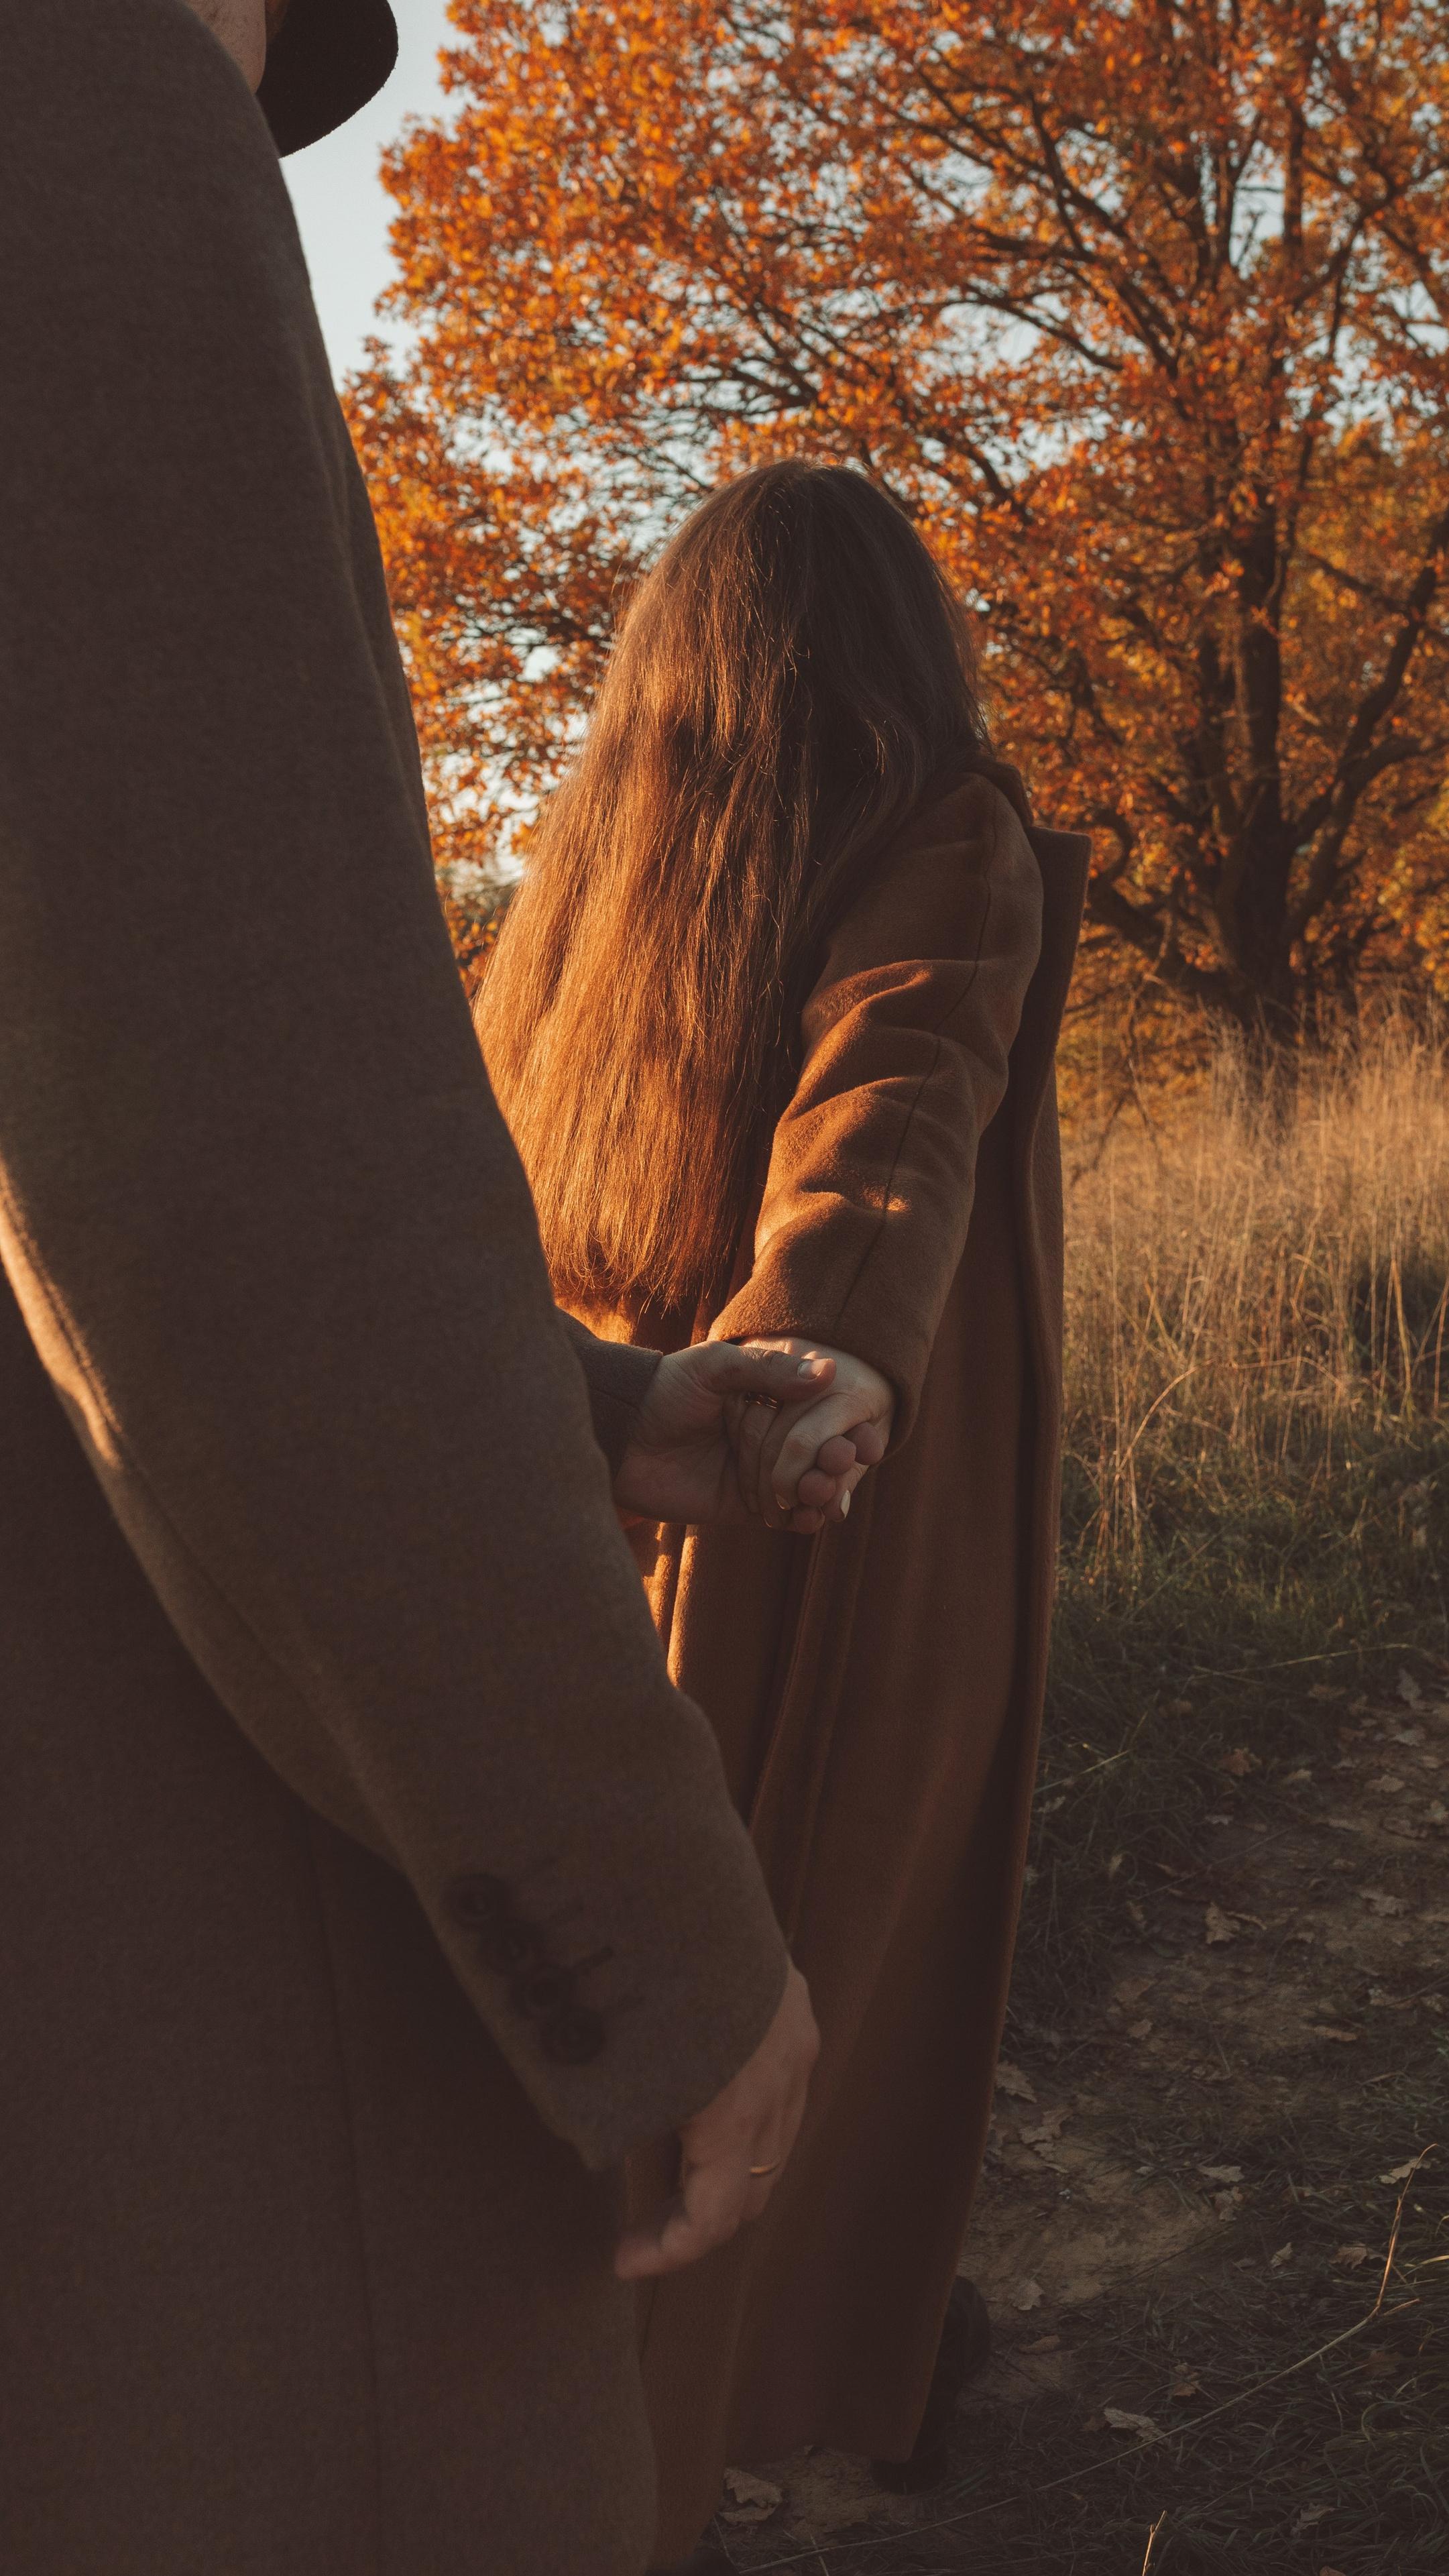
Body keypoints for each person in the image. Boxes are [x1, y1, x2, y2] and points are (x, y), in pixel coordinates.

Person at [0, 7, 850, 2572]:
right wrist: (646, 1921)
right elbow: (233, 1154)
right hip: (185, 1998)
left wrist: (573, 1407)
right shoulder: (69, 96)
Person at [477, 461, 1090, 2563]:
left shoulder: (575, 900)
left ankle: (756, 2384)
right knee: (797, 1997)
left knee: (615, 2017)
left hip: (600, 1522)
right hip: (823, 1540)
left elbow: (871, 1109)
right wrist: (824, 1360)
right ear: (906, 653)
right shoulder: (950, 833)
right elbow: (899, 1105)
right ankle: (701, 2445)